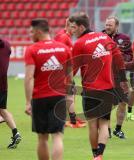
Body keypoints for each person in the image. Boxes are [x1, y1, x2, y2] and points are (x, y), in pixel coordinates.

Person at [69, 14, 128, 160]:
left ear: (82, 27)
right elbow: (119, 59)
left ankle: (95, 154)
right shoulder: (105, 38)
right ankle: (100, 155)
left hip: (90, 90)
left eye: (73, 27)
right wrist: (123, 80)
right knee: (104, 124)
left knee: (92, 125)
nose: (72, 31)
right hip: (108, 88)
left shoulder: (79, 43)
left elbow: (71, 70)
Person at [24, 18, 72, 160]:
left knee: (42, 138)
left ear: (38, 31)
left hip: (40, 98)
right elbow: (69, 74)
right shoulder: (63, 48)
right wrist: (69, 95)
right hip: (59, 97)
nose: (30, 35)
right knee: (57, 136)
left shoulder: (32, 49)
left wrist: (28, 102)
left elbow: (29, 77)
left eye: (32, 32)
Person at [103, 16, 134, 139]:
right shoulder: (100, 37)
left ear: (116, 26)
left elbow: (129, 55)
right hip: (104, 76)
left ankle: (118, 129)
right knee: (106, 103)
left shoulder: (125, 39)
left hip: (119, 76)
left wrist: (121, 58)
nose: (107, 27)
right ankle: (106, 129)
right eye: (106, 25)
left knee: (123, 102)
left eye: (110, 25)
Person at [55, 17, 86, 128]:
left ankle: (69, 119)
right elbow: (60, 54)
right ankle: (72, 121)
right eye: (72, 27)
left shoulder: (61, 35)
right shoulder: (64, 38)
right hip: (64, 72)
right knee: (69, 95)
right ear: (67, 25)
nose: (74, 30)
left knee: (68, 95)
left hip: (61, 71)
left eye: (75, 27)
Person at [0, 38, 21, 149]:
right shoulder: (7, 44)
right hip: (3, 85)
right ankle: (15, 133)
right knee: (2, 109)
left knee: (2, 111)